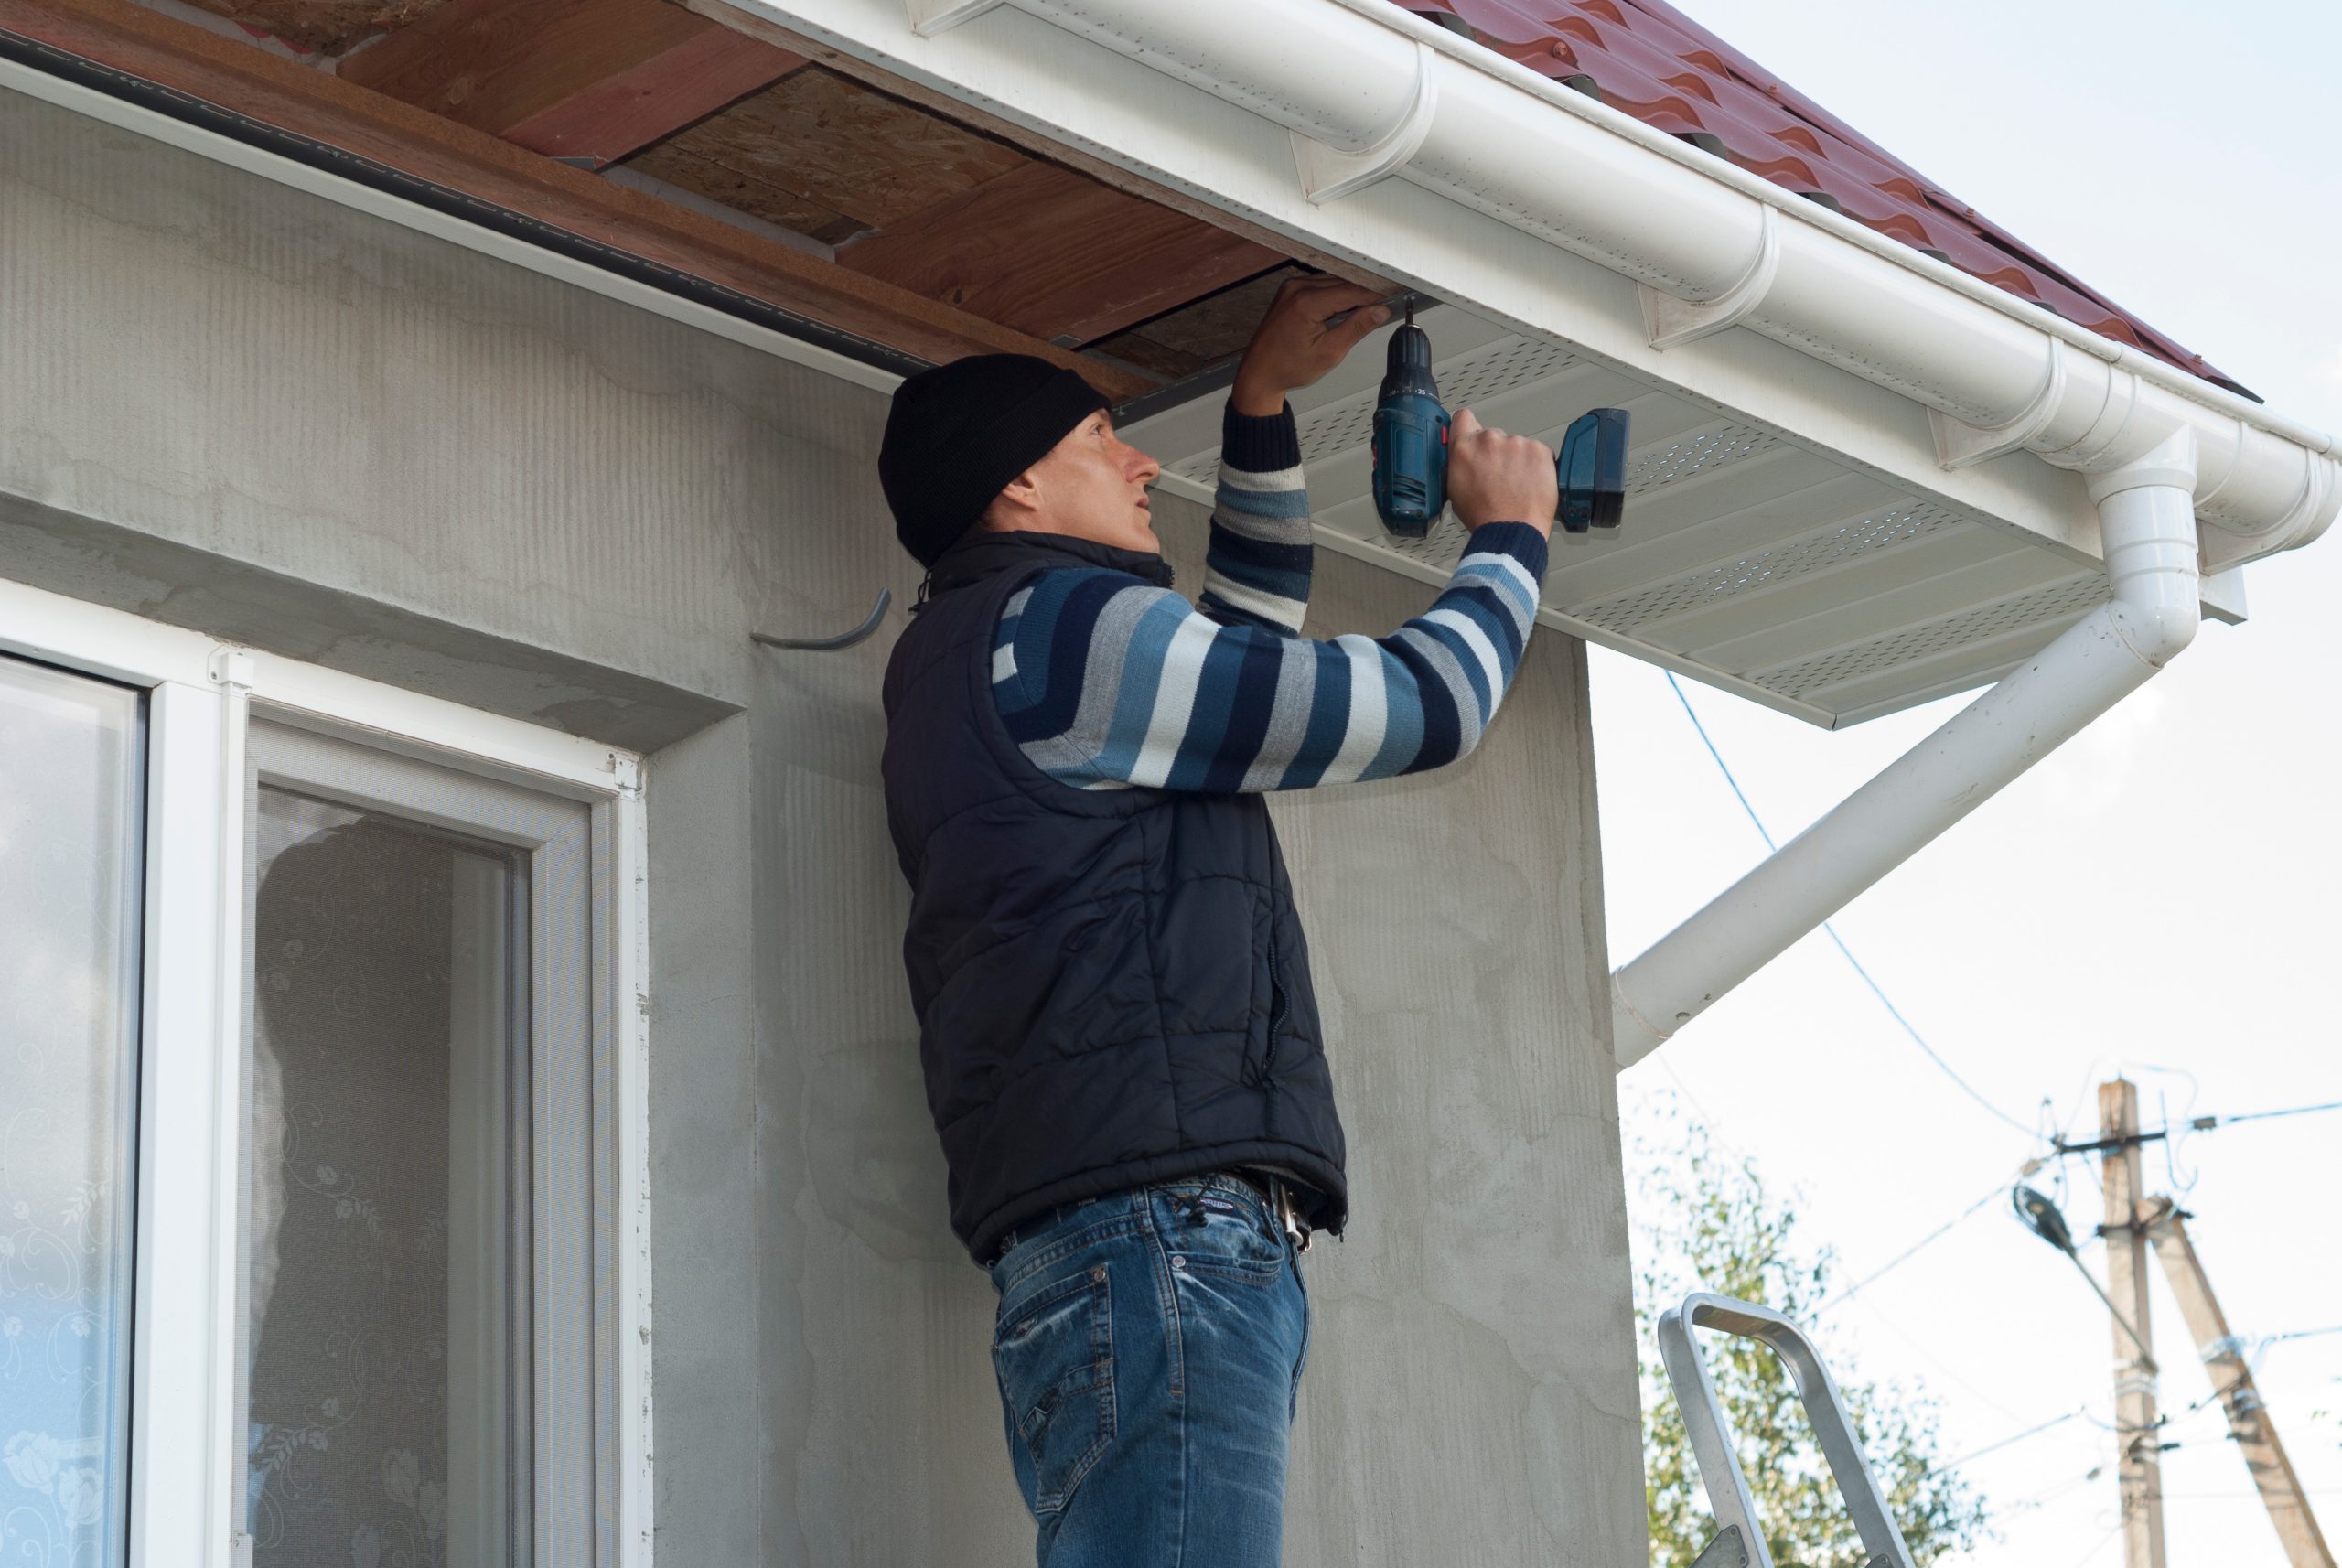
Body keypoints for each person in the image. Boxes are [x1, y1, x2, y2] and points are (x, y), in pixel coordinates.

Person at [876, 275, 1561, 1567]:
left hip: (1110, 1245)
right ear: (1016, 490)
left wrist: (1261, 406)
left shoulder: (982, 653)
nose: (1141, 463)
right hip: (1160, 1243)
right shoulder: (1065, 631)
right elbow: (1418, 707)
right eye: (1097, 441)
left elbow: (1237, 673)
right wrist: (1510, 541)